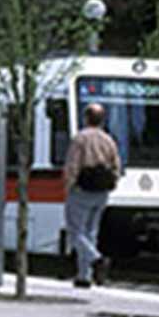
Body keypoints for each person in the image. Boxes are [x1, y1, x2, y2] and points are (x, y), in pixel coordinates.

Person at [62, 103, 122, 288]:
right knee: (91, 232)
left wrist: (68, 186)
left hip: (82, 189)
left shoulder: (80, 139)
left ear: (86, 118)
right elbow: (116, 166)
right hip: (101, 192)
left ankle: (97, 259)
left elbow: (73, 165)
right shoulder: (108, 140)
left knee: (76, 231)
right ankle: (83, 276)